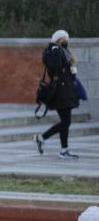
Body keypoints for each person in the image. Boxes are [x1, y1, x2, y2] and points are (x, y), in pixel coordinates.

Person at [35, 29, 82, 159]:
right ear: (58, 40)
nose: (66, 42)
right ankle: (43, 138)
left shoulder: (62, 51)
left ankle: (62, 149)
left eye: (67, 39)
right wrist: (56, 51)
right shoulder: (52, 51)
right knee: (66, 122)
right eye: (64, 39)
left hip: (66, 90)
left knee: (66, 122)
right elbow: (54, 68)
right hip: (59, 91)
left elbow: (66, 69)